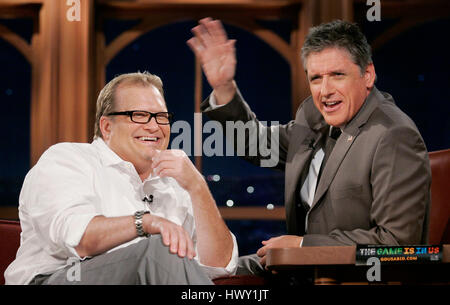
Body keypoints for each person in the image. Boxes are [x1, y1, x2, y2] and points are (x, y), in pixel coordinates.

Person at [187, 18, 430, 273]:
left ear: (367, 74)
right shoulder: (314, 117)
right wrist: (223, 87)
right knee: (203, 275)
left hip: (353, 277)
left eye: (337, 75)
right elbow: (255, 145)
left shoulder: (394, 135)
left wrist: (303, 247)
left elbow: (397, 244)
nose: (325, 91)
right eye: (316, 78)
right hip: (300, 270)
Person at [5, 72, 238, 284]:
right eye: (139, 115)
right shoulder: (68, 159)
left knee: (257, 266)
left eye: (161, 117)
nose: (154, 126)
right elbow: (79, 239)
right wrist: (146, 222)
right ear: (107, 127)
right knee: (161, 251)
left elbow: (219, 266)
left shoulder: (174, 184)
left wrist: (197, 187)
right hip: (58, 278)